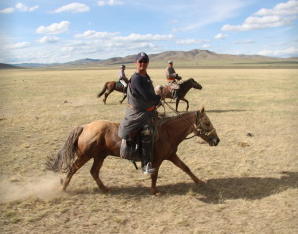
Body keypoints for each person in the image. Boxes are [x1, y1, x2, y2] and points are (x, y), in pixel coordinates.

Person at [118, 52, 161, 174]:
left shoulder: (146, 77)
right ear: (136, 63)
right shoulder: (137, 78)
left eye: (145, 61)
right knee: (147, 131)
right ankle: (145, 165)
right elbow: (147, 96)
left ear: (147, 63)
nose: (142, 63)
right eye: (140, 61)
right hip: (137, 112)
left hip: (146, 110)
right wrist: (158, 98)